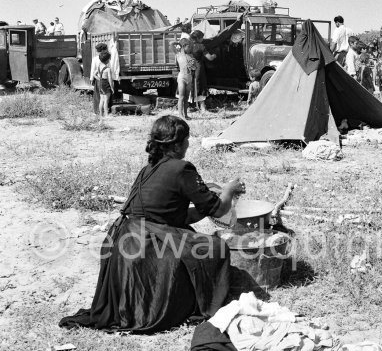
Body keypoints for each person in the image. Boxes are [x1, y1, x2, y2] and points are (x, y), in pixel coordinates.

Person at [59, 115, 246, 334]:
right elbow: (219, 209)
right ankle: (196, 301)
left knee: (191, 240)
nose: (188, 144)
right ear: (177, 144)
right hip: (145, 244)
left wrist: (207, 206)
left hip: (122, 241)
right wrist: (229, 190)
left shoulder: (149, 169)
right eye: (187, 139)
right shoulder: (181, 169)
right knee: (215, 248)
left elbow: (174, 215)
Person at [170, 37, 195, 119]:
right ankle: (180, 115)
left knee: (186, 98)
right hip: (182, 77)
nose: (190, 48)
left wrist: (192, 66)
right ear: (184, 46)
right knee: (181, 97)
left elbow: (194, 68)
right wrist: (178, 43)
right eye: (189, 46)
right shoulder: (178, 54)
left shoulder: (190, 55)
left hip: (189, 77)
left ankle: (186, 114)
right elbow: (171, 44)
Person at [90, 43, 109, 115]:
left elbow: (93, 69)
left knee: (98, 95)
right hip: (106, 79)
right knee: (106, 95)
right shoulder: (107, 58)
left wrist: (91, 79)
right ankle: (106, 110)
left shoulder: (95, 59)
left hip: (98, 79)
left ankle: (97, 111)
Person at [96, 51, 114, 119]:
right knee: (106, 100)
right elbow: (110, 79)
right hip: (105, 84)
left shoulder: (99, 66)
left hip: (100, 83)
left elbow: (94, 74)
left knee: (101, 100)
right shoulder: (108, 69)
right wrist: (112, 88)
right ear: (107, 60)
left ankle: (101, 114)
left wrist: (99, 79)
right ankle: (106, 115)